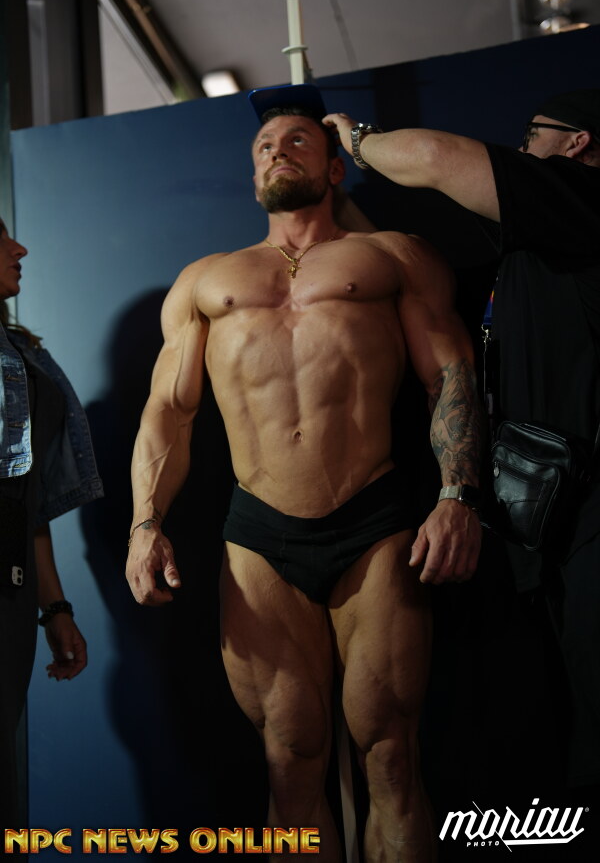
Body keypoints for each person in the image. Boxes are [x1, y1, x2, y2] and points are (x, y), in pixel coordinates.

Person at [126, 96, 482, 861]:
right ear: (252, 173)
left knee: (391, 755)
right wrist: (145, 524)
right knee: (290, 758)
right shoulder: (206, 282)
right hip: (260, 535)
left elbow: (450, 377)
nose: (277, 153)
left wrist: (457, 496)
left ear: (334, 167)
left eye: (296, 141)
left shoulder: (393, 258)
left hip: (374, 523)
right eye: (264, 146)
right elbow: (169, 414)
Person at [324, 89, 600, 798]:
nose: (521, 146)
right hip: (553, 527)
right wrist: (335, 203)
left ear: (576, 143)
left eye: (533, 133)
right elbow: (401, 266)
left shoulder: (581, 197)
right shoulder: (536, 252)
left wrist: (353, 141)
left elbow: (433, 156)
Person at [0, 217, 103, 824]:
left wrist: (55, 608)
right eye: (0, 238)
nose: (20, 248)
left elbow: (27, 499)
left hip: (12, 591)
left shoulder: (25, 354)